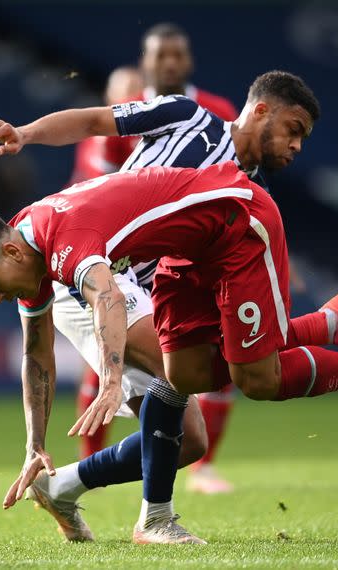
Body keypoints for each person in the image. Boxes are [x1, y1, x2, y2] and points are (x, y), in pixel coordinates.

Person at [0, 72, 338, 543]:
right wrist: (34, 445)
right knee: (188, 402)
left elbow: (103, 294)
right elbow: (36, 352)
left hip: (221, 233)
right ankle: (334, 324)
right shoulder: (36, 243)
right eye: (293, 130)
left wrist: (110, 379)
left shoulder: (61, 244)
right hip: (167, 262)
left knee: (250, 378)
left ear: (7, 253)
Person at [71, 27, 240, 492]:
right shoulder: (125, 114)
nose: (169, 63)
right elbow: (95, 189)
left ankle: (199, 468)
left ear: (188, 60)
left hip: (189, 259)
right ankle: (90, 464)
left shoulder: (217, 112)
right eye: (159, 55)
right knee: (111, 356)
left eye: (177, 54)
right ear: (145, 62)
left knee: (212, 358)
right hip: (125, 261)